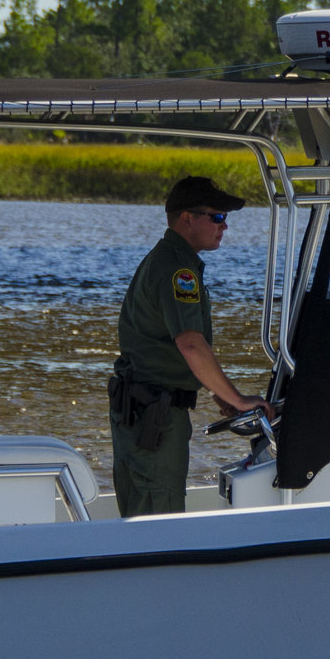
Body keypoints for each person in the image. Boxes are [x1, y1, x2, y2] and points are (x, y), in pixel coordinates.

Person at [109, 175, 270, 517]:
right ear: (187, 218)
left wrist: (218, 393)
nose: (224, 226)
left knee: (143, 510)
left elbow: (166, 344)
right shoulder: (178, 270)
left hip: (143, 410)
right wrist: (237, 399)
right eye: (216, 216)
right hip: (155, 417)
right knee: (160, 516)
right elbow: (191, 345)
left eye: (225, 218)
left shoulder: (168, 259)